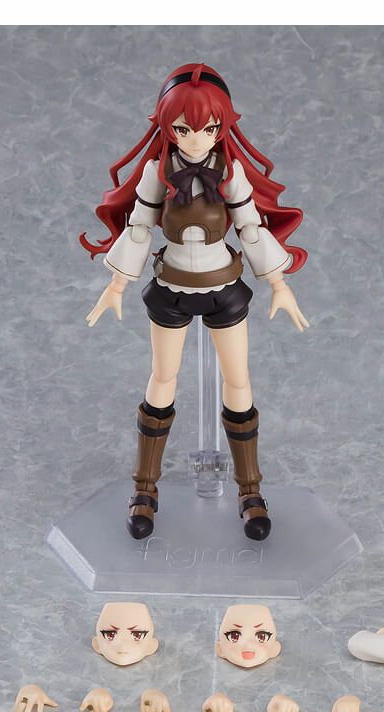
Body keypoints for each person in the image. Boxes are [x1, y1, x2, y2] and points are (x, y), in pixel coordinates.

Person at [81, 63, 308, 542]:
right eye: (183, 129)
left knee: (238, 381)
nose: (197, 139)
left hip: (224, 287)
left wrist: (279, 283)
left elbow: (251, 229)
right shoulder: (157, 173)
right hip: (171, 288)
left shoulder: (230, 173)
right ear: (167, 127)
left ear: (223, 126)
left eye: (209, 128)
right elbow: (138, 229)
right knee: (163, 379)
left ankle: (250, 490)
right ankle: (144, 488)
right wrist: (117, 285)